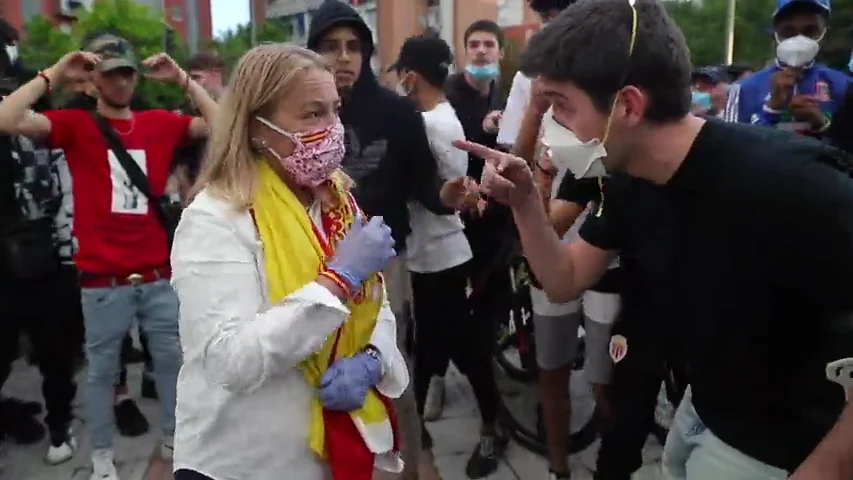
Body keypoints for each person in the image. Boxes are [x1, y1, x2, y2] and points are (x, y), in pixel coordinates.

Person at [454, 0, 853, 478]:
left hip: (775, 452)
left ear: (626, 106)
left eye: (561, 107)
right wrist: (524, 203)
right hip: (700, 416)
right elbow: (563, 279)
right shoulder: (629, 179)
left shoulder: (790, 183)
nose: (550, 130)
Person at [171, 42, 408, 480]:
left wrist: (374, 358)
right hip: (243, 463)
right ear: (255, 126)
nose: (332, 128)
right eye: (312, 114)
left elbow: (377, 308)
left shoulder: (336, 200)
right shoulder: (215, 218)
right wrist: (338, 280)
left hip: (323, 457)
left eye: (334, 110)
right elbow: (232, 360)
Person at [0, 33, 216, 480]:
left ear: (136, 75)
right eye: (110, 73)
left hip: (157, 275)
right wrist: (56, 71)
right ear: (95, 79)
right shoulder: (74, 126)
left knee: (173, 364)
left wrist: (181, 80)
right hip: (102, 282)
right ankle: (101, 456)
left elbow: (226, 124)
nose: (120, 82)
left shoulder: (159, 123)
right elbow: (6, 118)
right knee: (100, 376)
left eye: (126, 72)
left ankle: (177, 439)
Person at [307, 2, 471, 478]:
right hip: (311, 264)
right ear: (313, 51)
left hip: (385, 268)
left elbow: (425, 187)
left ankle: (409, 466)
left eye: (353, 47)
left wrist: (450, 195)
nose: (343, 57)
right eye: (331, 46)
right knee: (318, 377)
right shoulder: (297, 113)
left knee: (390, 372)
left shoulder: (397, 113)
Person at [391, 35, 508, 478]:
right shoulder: (440, 116)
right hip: (430, 253)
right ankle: (416, 432)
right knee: (432, 346)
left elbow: (433, 191)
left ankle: (490, 428)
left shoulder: (431, 125)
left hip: (442, 254)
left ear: (410, 76)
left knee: (465, 348)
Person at [0, 19, 78, 465]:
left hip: (48, 252)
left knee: (54, 352)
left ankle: (60, 427)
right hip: (7, 256)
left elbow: (63, 178)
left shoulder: (44, 114)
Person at [441, 18, 508, 426]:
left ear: (500, 52)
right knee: (449, 306)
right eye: (474, 44)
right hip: (457, 213)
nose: (482, 51)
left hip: (496, 217)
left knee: (491, 298)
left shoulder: (504, 94)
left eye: (489, 45)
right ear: (466, 51)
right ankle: (436, 377)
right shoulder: (449, 96)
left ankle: (487, 359)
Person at [724, 0, 848, 137]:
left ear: (825, 32)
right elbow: (731, 150)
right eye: (789, 32)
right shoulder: (742, 90)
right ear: (775, 33)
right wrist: (771, 109)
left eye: (810, 31)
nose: (799, 39)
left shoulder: (844, 86)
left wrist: (822, 125)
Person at [173, 52, 225, 202]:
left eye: (197, 78)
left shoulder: (238, 108)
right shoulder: (184, 111)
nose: (192, 85)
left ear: (216, 74)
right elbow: (180, 162)